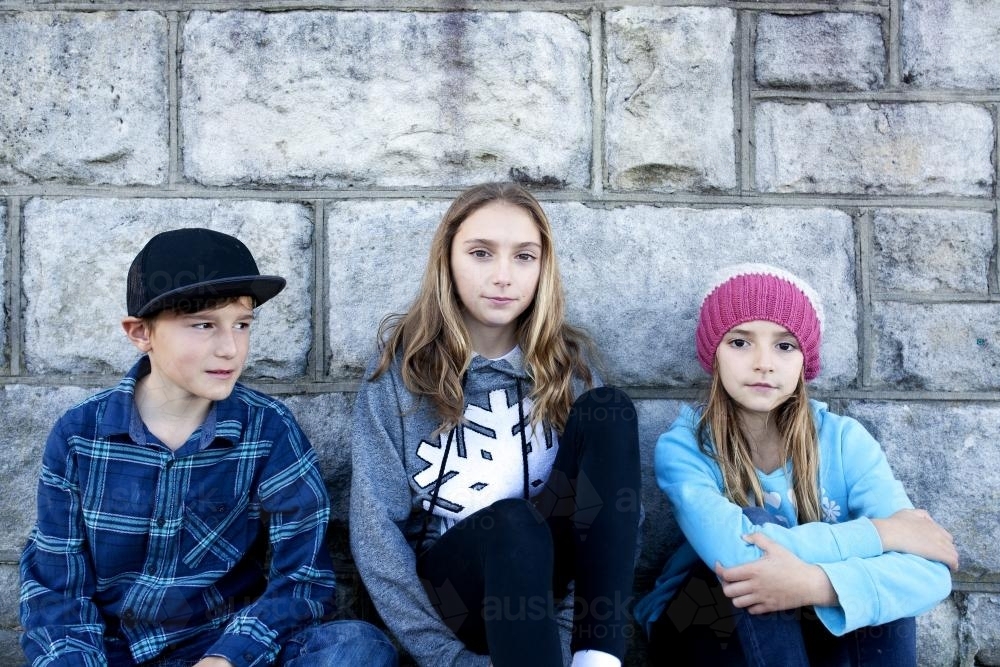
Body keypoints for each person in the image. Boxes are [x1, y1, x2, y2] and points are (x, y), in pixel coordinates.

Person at [19, 228, 398, 667]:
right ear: (141, 333)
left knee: (357, 647)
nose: (230, 348)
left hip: (224, 646)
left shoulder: (267, 430)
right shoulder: (80, 434)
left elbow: (303, 581)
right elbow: (56, 590)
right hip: (114, 650)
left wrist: (229, 657)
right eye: (203, 325)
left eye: (242, 324)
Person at [350, 182, 641, 667]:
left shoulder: (572, 366)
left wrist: (569, 643)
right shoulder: (400, 374)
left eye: (524, 256)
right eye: (482, 253)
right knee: (512, 522)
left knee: (609, 410)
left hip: (550, 599)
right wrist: (447, 659)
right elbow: (375, 535)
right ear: (447, 259)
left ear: (544, 266)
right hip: (457, 597)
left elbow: (616, 518)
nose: (503, 276)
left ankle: (599, 659)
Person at [633, 263, 958, 666]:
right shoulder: (687, 446)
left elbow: (930, 572)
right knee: (759, 526)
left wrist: (815, 585)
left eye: (784, 346)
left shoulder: (844, 440)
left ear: (805, 361)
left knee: (883, 600)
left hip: (813, 630)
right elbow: (741, 559)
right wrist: (883, 533)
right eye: (740, 342)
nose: (763, 363)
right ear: (712, 354)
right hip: (700, 628)